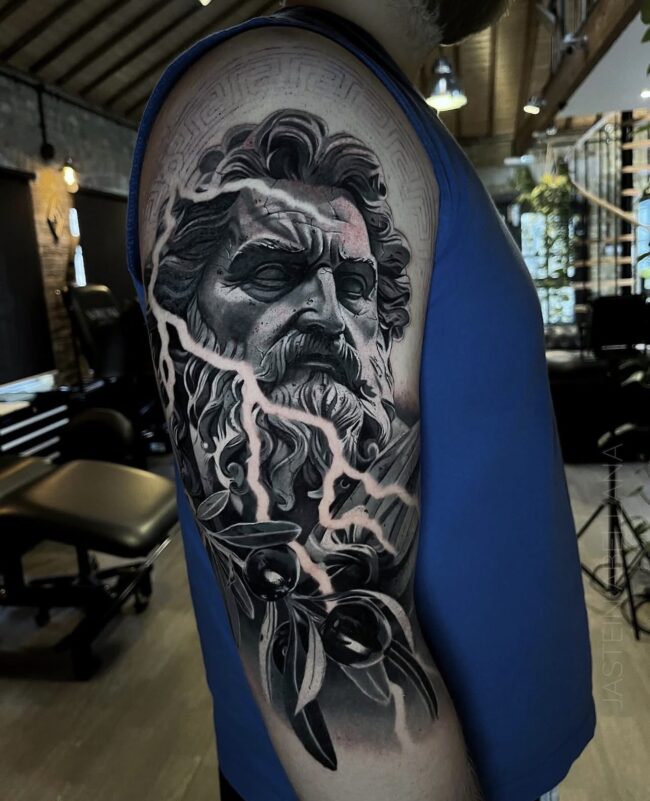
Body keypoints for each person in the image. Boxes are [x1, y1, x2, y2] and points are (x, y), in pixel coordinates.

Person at [127, 2, 595, 800]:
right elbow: (343, 667)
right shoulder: (287, 81)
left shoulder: (382, 101)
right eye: (272, 272)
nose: (328, 315)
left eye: (352, 285)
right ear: (187, 307)